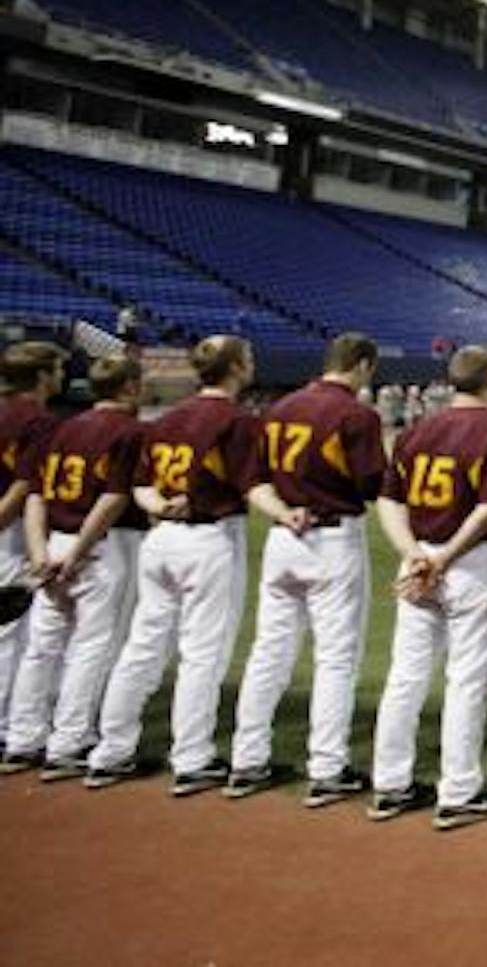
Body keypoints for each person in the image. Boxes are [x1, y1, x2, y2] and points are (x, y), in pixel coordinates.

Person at [88, 336, 304, 794]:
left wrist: (163, 506)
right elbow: (250, 486)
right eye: (246, 359)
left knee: (143, 646)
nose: (251, 364)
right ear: (236, 368)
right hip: (210, 539)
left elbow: (141, 486)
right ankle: (191, 758)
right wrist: (284, 513)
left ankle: (110, 751)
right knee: (202, 653)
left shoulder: (165, 419)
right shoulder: (237, 421)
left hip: (159, 539)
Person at [226, 332, 385, 806]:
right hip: (333, 539)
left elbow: (253, 482)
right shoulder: (356, 414)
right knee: (335, 658)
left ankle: (246, 760)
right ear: (360, 365)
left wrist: (282, 512)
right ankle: (327, 767)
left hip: (283, 536)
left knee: (268, 652)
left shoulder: (279, 409)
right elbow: (374, 484)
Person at [369, 344, 487, 830]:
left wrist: (414, 553)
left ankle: (389, 784)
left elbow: (389, 501)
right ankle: (457, 792)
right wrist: (443, 558)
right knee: (467, 678)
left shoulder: (415, 432)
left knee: (406, 675)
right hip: (468, 560)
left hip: (417, 558)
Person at [1, 355, 145, 779]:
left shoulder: (65, 428)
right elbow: (114, 497)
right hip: (102, 544)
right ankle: (68, 742)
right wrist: (79, 551)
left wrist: (40, 551)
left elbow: (35, 494)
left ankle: (23, 739)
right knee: (92, 645)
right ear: (131, 387)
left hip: (53, 540)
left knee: (42, 645)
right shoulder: (131, 432)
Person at [0, 341, 65, 734]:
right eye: (56, 369)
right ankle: (8, 725)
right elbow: (26, 483)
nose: (61, 375)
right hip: (13, 531)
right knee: (12, 629)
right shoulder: (39, 421)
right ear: (41, 376)